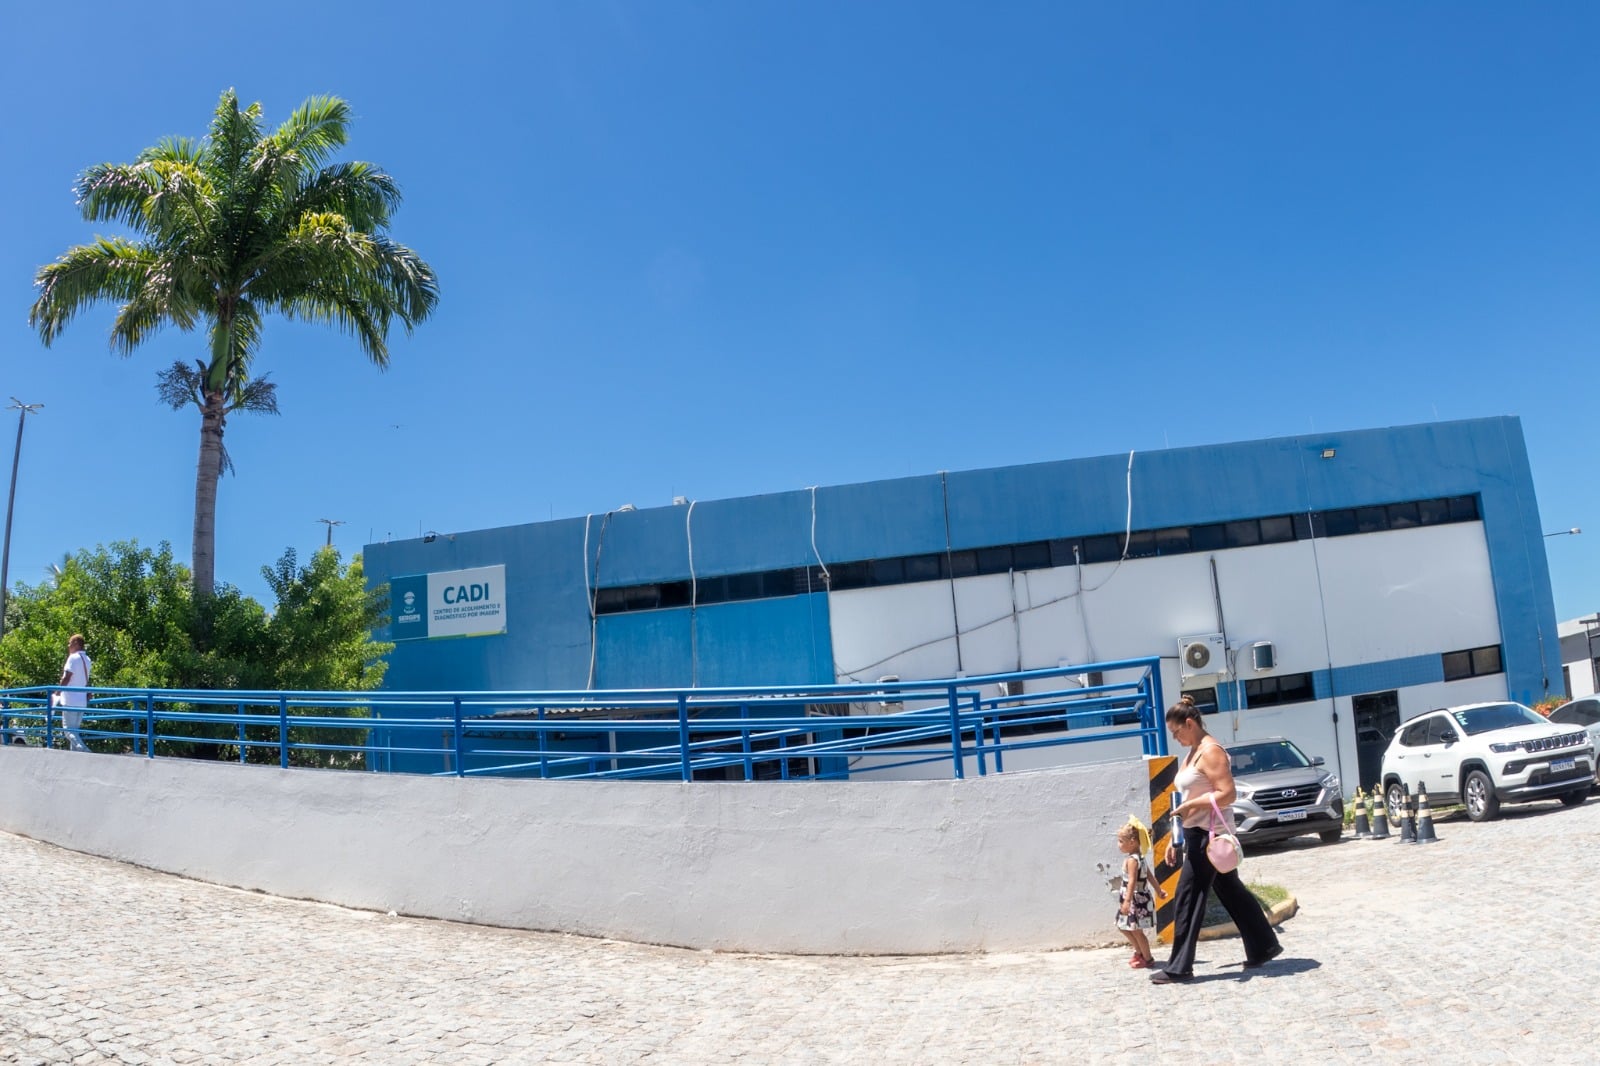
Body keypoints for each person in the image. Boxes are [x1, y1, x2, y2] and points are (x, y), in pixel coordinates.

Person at [1150, 694, 1283, 983]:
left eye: (1176, 732)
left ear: (1190, 723)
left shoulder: (1211, 752)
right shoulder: (1194, 751)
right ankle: (1264, 945)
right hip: (1197, 832)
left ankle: (1180, 966)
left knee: (1187, 898)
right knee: (1231, 890)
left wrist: (1191, 806)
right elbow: (1189, 795)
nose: (1175, 738)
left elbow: (1228, 794)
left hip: (1209, 836)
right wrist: (1176, 836)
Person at [1114, 816, 1167, 968]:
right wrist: (1158, 890)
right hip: (1138, 898)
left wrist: (1127, 901)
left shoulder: (1132, 860)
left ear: (1132, 842)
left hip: (1134, 900)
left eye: (1121, 841)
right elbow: (1149, 876)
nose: (1118, 845)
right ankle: (1139, 952)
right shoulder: (1140, 858)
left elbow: (1132, 881)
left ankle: (1147, 958)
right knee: (1123, 926)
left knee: (1137, 931)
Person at [57, 633, 92, 753]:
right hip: (81, 701)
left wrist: (57, 692)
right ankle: (75, 756)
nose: (68, 646)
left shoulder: (73, 658)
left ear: (76, 644)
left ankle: (84, 750)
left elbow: (67, 677)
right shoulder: (87, 659)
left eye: (70, 643)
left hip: (70, 700)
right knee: (75, 731)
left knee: (68, 731)